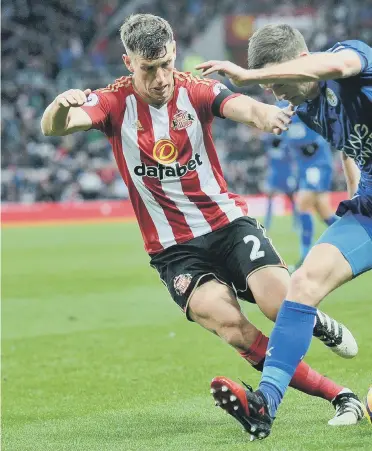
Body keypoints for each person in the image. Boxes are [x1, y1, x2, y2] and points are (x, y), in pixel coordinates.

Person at [41, 16, 362, 430]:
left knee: (277, 304)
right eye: (148, 69)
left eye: (167, 64)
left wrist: (263, 115)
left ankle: (311, 318)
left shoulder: (194, 87)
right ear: (128, 62)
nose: (160, 78)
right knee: (232, 327)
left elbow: (237, 104)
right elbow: (56, 128)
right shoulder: (112, 102)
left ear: (174, 52)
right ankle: (341, 395)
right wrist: (58, 106)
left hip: (227, 224)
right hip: (174, 250)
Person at [197, 24, 371, 439]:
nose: (275, 92)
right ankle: (265, 404)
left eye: (278, 81)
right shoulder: (308, 106)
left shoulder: (350, 56)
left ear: (303, 59)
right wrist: (353, 192)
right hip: (370, 208)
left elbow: (336, 64)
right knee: (303, 283)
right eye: (269, 84)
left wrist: (246, 76)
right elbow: (347, 143)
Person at [281, 110, 337, 268]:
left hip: (318, 165)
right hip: (306, 168)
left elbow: (316, 138)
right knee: (324, 213)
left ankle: (306, 258)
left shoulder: (302, 113)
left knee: (302, 205)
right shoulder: (285, 122)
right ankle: (360, 236)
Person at [260, 131, 297, 231]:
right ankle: (267, 224)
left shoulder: (284, 145)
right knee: (271, 199)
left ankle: (296, 223)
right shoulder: (273, 143)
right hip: (277, 175)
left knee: (291, 199)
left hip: (283, 175)